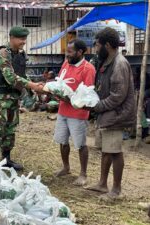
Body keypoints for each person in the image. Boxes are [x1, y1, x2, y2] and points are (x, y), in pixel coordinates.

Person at [87, 28, 136, 200]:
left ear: (107, 45)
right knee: (106, 150)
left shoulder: (119, 64)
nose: (95, 48)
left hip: (117, 114)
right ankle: (102, 184)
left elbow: (118, 96)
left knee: (115, 151)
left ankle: (116, 190)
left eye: (98, 45)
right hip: (108, 113)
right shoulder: (107, 61)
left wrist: (97, 106)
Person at [0, 26, 44, 170]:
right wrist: (31, 85)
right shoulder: (2, 54)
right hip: (1, 98)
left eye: (25, 39)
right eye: (20, 39)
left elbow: (22, 75)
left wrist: (34, 85)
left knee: (10, 130)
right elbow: (11, 78)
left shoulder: (21, 54)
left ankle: (6, 159)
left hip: (13, 98)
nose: (23, 42)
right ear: (11, 37)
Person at [53, 39, 96, 186]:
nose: (67, 54)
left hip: (78, 113)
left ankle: (83, 174)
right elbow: (59, 82)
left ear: (80, 52)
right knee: (62, 141)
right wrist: (56, 91)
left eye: (70, 52)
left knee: (80, 144)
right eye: (67, 51)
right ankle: (66, 167)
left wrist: (69, 97)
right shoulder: (66, 63)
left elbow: (88, 94)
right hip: (63, 109)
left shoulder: (88, 68)